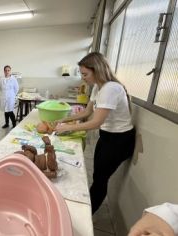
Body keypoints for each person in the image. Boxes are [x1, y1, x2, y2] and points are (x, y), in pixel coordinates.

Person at [54, 52, 136, 214]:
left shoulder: (111, 88)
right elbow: (86, 113)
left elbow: (96, 122)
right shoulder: (98, 87)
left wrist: (67, 128)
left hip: (119, 140)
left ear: (97, 70)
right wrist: (65, 119)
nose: (83, 78)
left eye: (85, 74)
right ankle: (88, 206)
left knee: (100, 179)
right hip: (106, 136)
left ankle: (85, 216)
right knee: (97, 173)